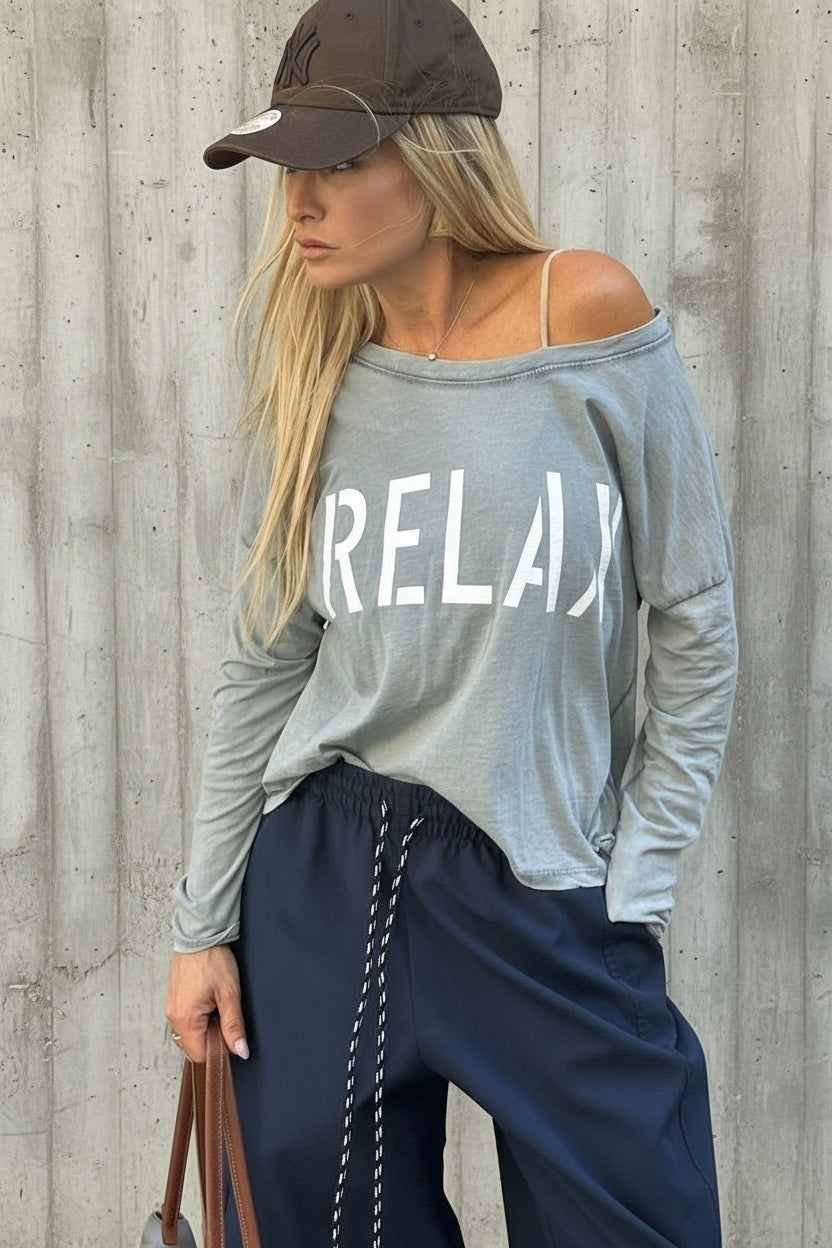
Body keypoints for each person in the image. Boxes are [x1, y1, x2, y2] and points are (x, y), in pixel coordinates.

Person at [164, 1, 738, 1245]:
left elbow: (693, 617)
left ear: (434, 157)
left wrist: (637, 880)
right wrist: (201, 927)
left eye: (336, 162)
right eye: (286, 167)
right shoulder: (315, 373)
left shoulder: (583, 313)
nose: (299, 201)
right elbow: (263, 668)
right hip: (322, 873)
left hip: (537, 877)